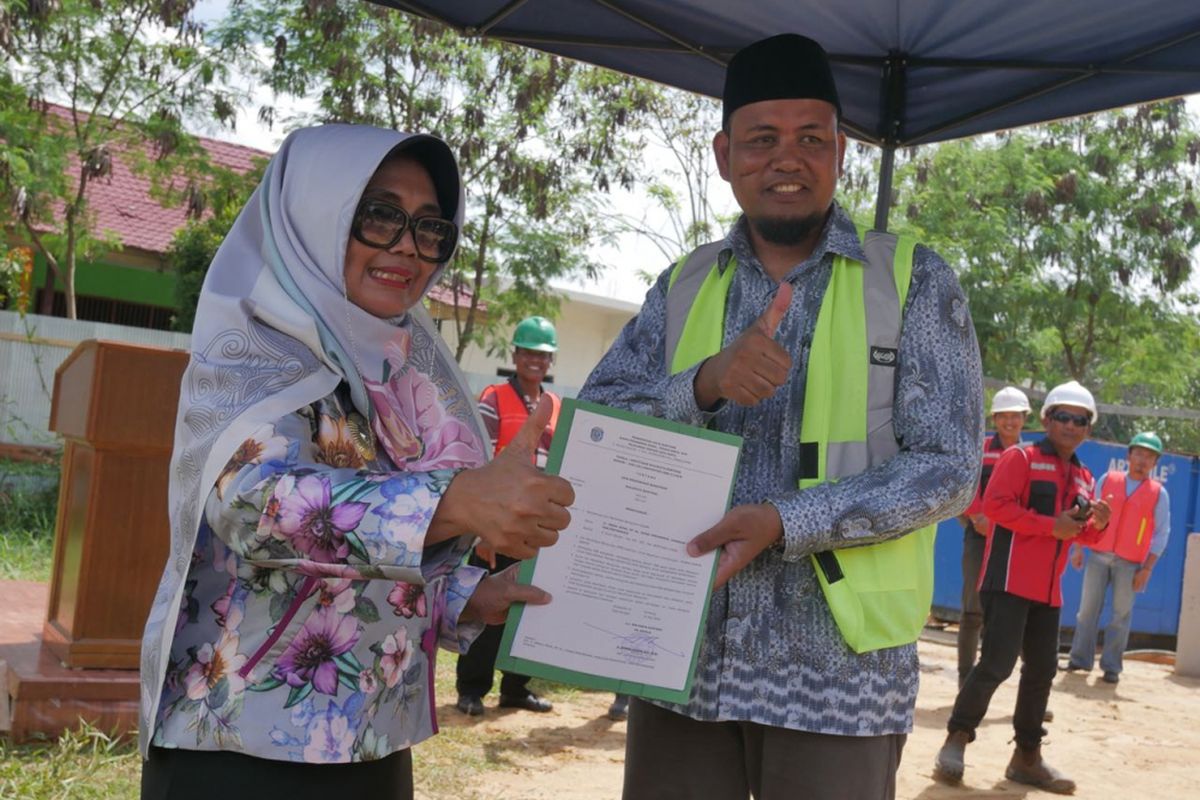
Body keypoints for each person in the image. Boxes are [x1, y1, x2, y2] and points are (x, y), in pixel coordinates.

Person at [579, 33, 983, 800]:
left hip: (839, 681)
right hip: (681, 663)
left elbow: (949, 468)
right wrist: (701, 383)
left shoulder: (914, 282)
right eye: (762, 139)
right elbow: (598, 426)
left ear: (840, 152)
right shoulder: (683, 285)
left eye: (811, 139)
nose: (786, 159)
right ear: (725, 155)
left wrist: (788, 520)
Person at [138, 125, 575, 800]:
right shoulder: (251, 352)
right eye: (378, 215)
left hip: (370, 735)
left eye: (431, 227)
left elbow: (369, 554)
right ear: (315, 215)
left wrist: (465, 595)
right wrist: (456, 501)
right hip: (241, 747)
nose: (407, 245)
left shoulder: (393, 374)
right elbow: (253, 505)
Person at [934, 380, 1112, 794]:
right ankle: (955, 740)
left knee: (1043, 671)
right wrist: (1051, 525)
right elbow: (995, 507)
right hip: (1008, 580)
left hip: (1049, 592)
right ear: (1047, 420)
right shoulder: (1021, 457)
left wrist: (1097, 526)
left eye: (1080, 419)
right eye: (1063, 416)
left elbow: (1080, 536)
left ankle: (1026, 757)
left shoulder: (1085, 476)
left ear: (1088, 427)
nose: (1071, 425)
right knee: (997, 663)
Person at [455, 316, 561, 716]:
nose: (535, 360)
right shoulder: (494, 398)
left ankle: (516, 688)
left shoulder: (555, 407)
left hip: (535, 527)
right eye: (528, 352)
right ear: (515, 355)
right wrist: (482, 527)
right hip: (495, 524)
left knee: (530, 607)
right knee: (485, 606)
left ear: (549, 362)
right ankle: (471, 689)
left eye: (543, 354)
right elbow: (478, 458)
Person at [1066, 431, 1171, 684]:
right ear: (1129, 455)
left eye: (1149, 456)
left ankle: (1111, 667)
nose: (1142, 460)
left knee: (1121, 615)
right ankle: (1080, 660)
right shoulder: (1108, 479)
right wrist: (1078, 548)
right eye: (1139, 453)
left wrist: (1147, 569)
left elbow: (1161, 533)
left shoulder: (1158, 493)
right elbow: (1087, 515)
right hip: (1098, 554)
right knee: (1086, 611)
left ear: (1155, 463)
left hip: (1130, 562)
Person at [957, 386, 1030, 686]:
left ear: (1025, 419)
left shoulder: (1030, 456)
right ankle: (965, 681)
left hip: (1016, 544)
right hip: (978, 536)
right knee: (973, 610)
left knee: (1019, 614)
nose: (1009, 422)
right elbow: (966, 484)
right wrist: (976, 515)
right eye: (1003, 416)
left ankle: (1031, 690)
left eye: (1015, 416)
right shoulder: (980, 449)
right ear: (994, 418)